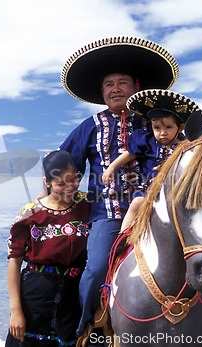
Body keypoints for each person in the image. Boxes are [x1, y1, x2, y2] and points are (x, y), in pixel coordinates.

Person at [59, 36, 179, 337]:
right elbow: (65, 167)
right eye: (109, 84)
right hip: (108, 213)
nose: (115, 88)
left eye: (122, 82)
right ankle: (84, 328)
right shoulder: (90, 126)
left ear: (136, 86)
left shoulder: (155, 123)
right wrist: (59, 200)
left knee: (194, 260)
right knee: (96, 268)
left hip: (156, 212)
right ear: (101, 92)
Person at [6, 150, 90, 346]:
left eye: (74, 180)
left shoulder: (87, 204)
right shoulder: (29, 214)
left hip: (73, 298)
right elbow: (14, 264)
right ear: (48, 182)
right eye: (61, 183)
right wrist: (16, 311)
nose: (70, 187)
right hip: (35, 299)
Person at [102, 89, 202, 233]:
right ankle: (123, 237)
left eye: (168, 127)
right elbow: (130, 154)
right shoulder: (148, 141)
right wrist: (112, 167)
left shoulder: (185, 146)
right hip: (149, 189)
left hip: (176, 190)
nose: (162, 132)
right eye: (157, 128)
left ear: (180, 127)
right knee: (137, 204)